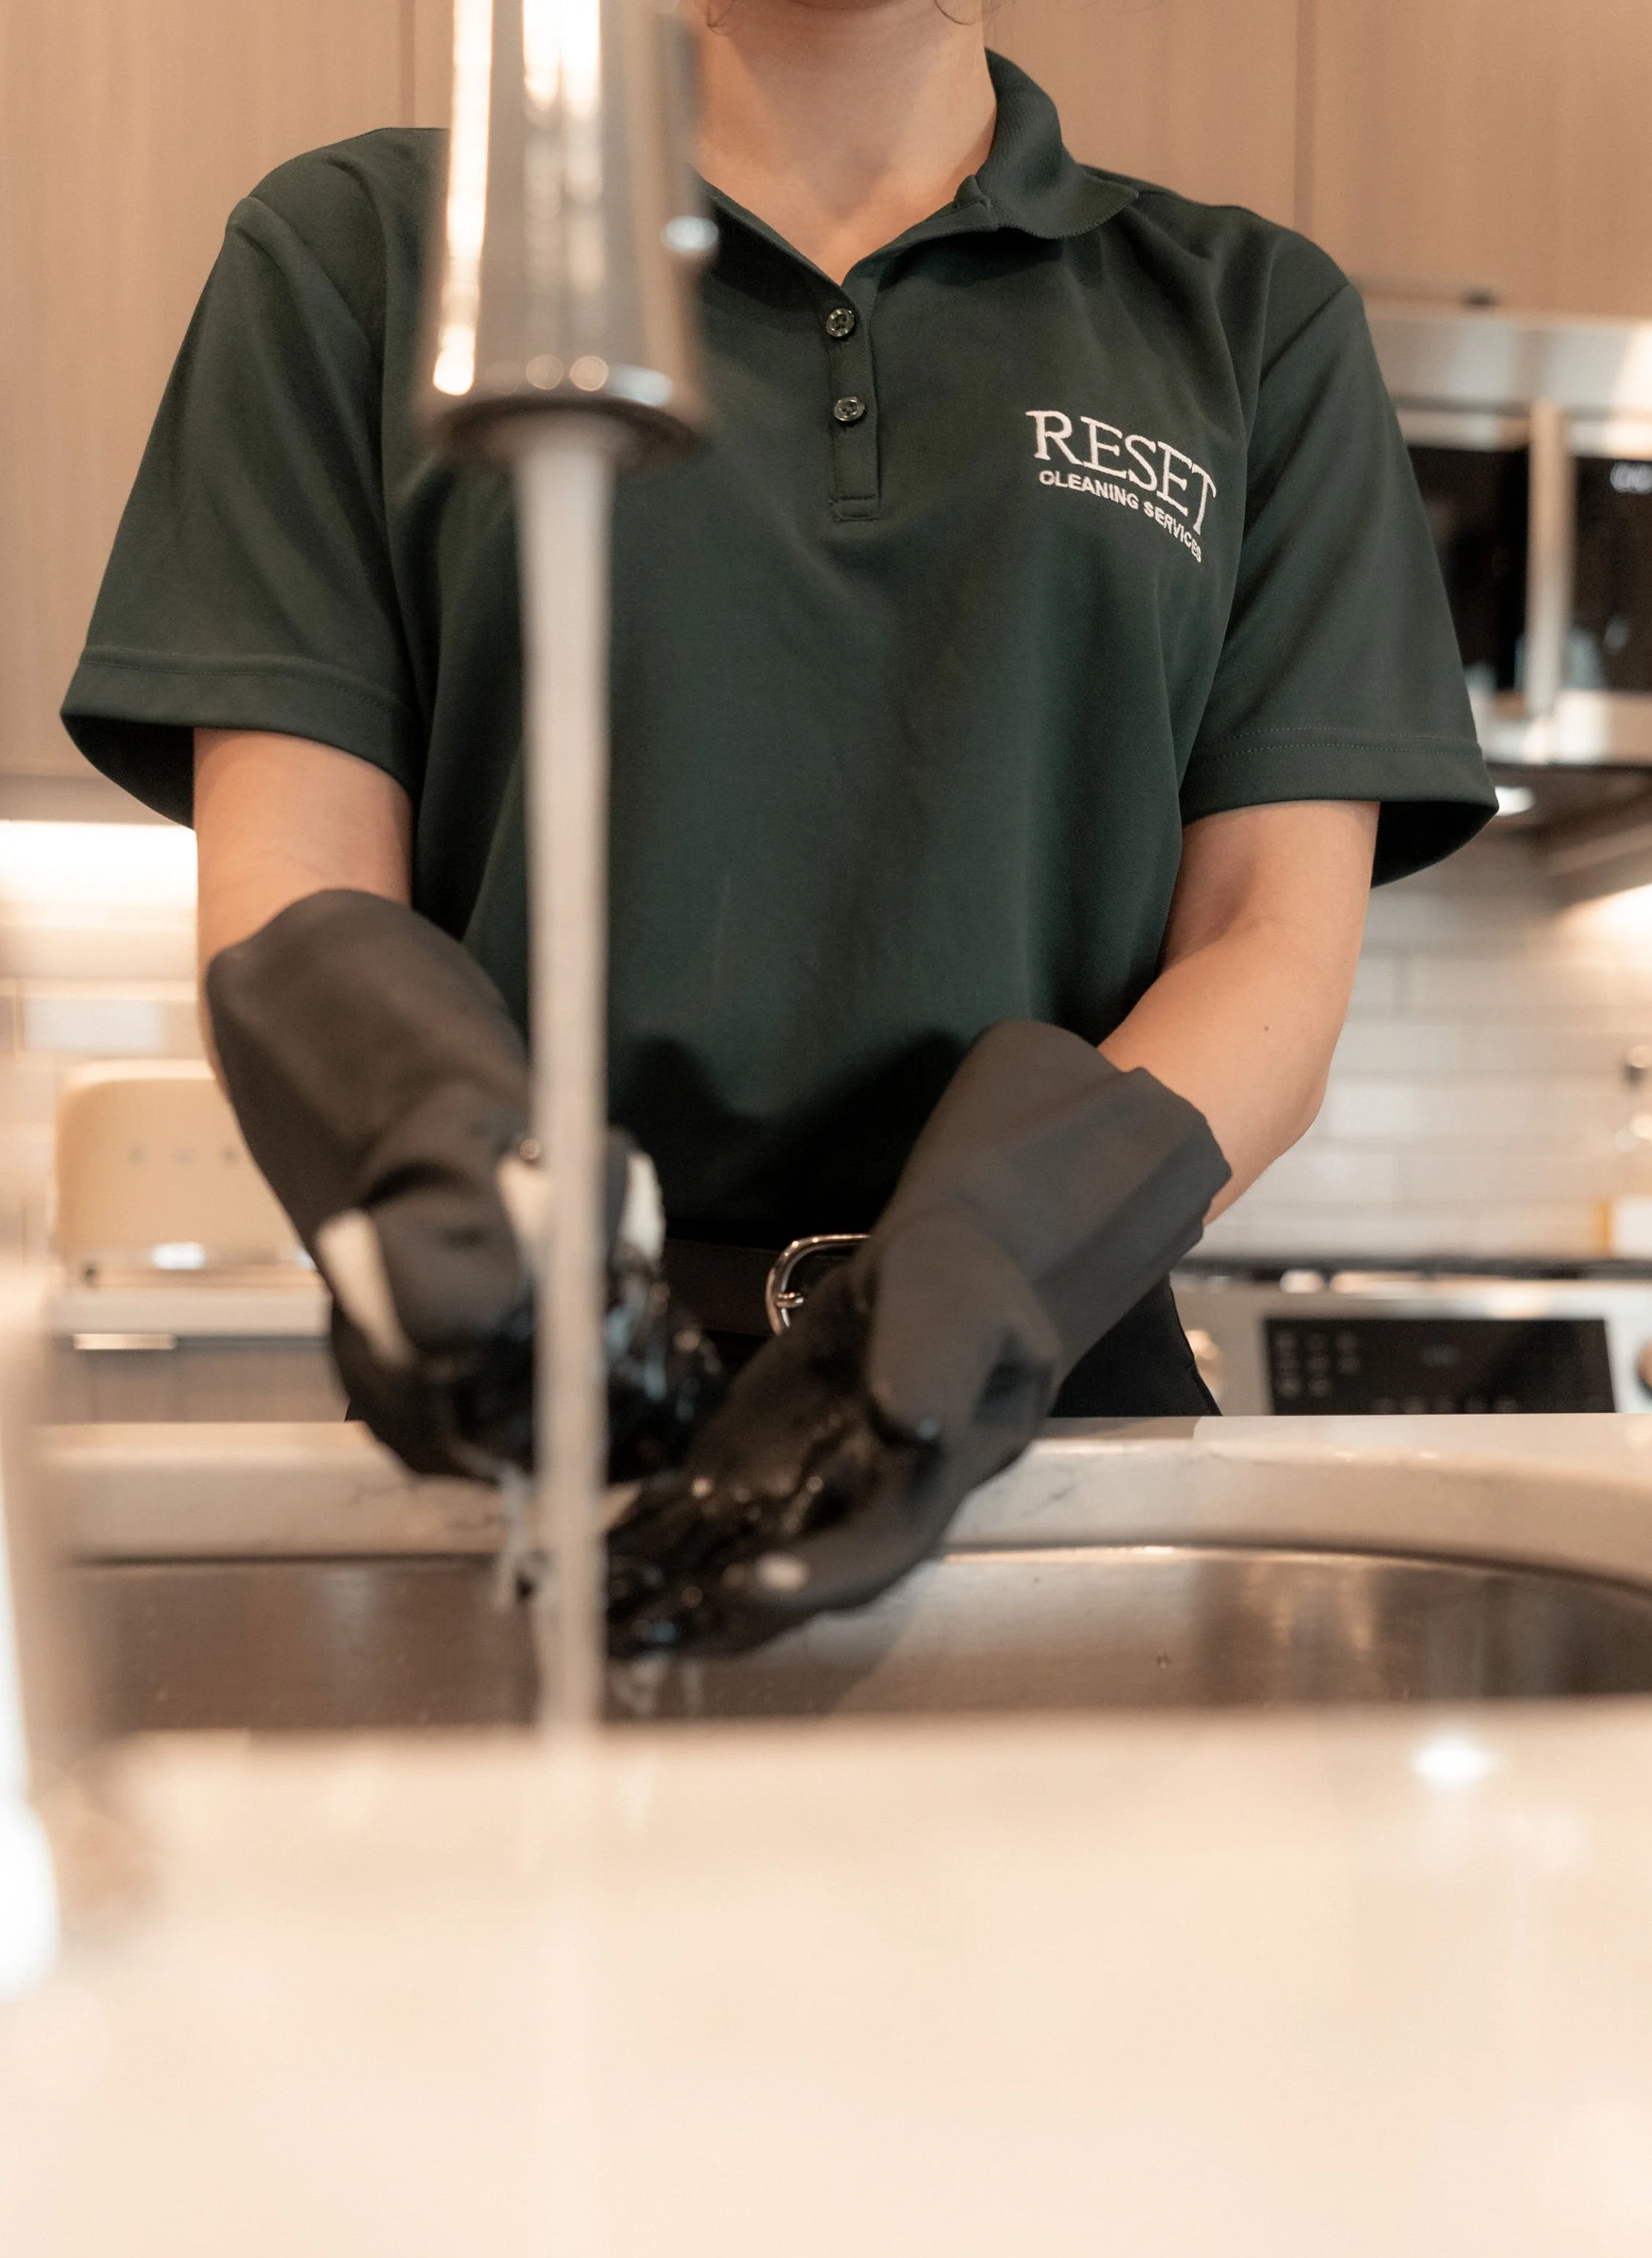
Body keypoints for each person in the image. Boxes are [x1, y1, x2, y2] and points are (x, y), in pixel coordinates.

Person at [62, 0, 1495, 1653]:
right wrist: (434, 1172)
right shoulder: (361, 253)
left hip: (1039, 1411)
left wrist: (989, 1265)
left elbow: (1267, 942)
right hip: (530, 1412)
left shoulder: (1246, 317)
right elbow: (296, 873)